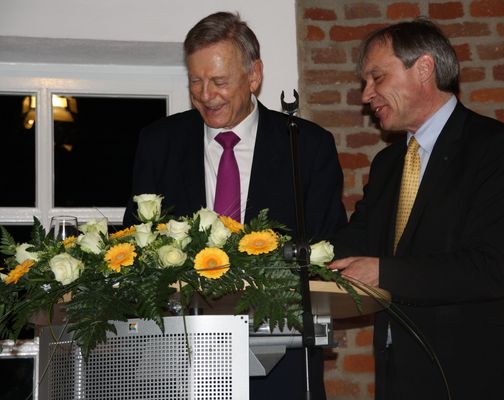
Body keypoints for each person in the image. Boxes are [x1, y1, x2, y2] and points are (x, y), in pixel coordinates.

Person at [330, 18, 504, 400]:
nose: (367, 95)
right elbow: (356, 241)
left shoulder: (495, 149)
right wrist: (276, 257)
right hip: (401, 380)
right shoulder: (388, 164)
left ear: (423, 69)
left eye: (377, 77)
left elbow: (493, 268)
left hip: (480, 379)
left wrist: (383, 272)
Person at [123, 12, 346, 400]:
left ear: (254, 75)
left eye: (219, 81)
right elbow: (135, 244)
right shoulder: (159, 142)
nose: (205, 94)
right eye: (196, 81)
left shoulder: (306, 146)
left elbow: (328, 247)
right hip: (179, 358)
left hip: (283, 358)